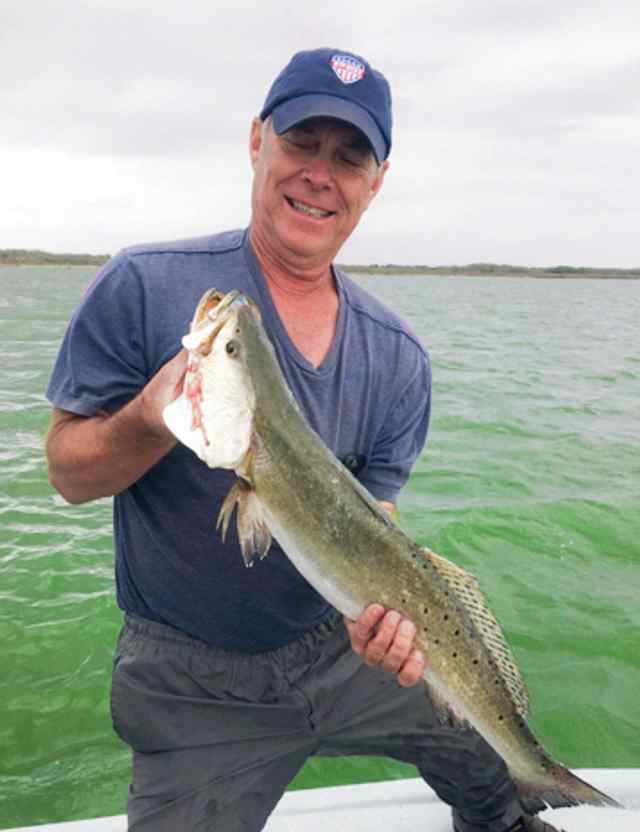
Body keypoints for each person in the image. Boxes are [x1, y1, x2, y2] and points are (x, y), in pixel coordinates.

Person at [45, 48, 564, 832]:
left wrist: (384, 629)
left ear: (375, 182)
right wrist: (149, 419)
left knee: (488, 756)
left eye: (349, 155)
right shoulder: (143, 285)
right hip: (192, 682)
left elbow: (373, 522)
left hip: (343, 647)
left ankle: (521, 805)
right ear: (258, 140)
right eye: (301, 142)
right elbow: (68, 475)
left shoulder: (397, 356)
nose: (320, 173)